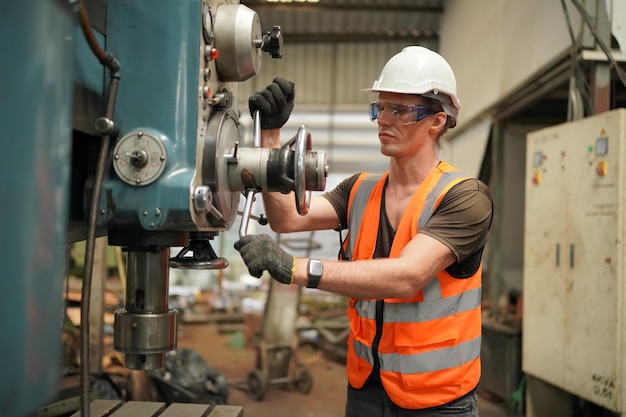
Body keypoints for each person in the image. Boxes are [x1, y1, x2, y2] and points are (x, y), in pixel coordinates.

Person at [234, 46, 493, 416]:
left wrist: (295, 267)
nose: (382, 120)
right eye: (380, 108)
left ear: (437, 121)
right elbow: (286, 219)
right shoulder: (359, 189)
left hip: (437, 399)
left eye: (399, 110)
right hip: (366, 389)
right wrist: (270, 141)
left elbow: (407, 277)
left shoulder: (466, 197)